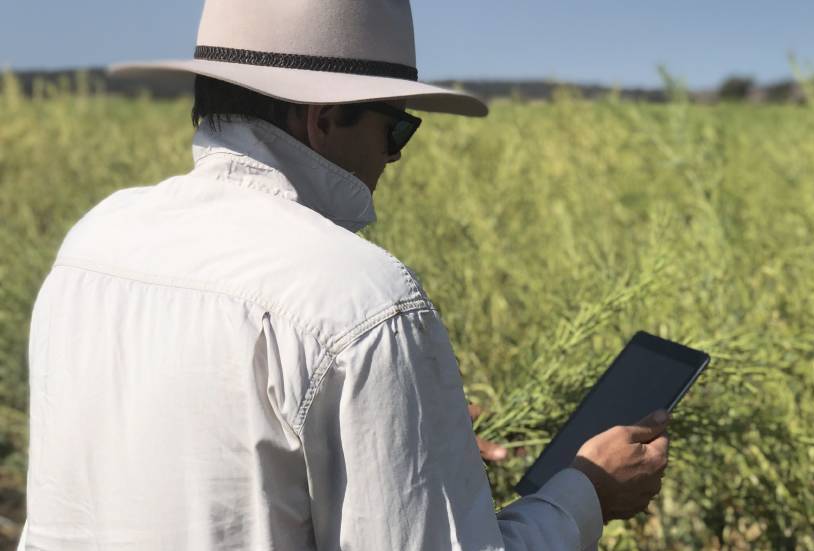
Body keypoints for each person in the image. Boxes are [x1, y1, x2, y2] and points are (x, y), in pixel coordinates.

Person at [18, 1, 671, 549]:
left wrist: (410, 445)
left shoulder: (97, 240)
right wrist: (586, 491)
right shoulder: (360, 297)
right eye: (397, 127)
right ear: (323, 118)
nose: (393, 157)